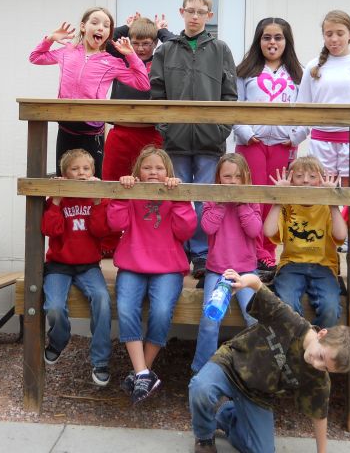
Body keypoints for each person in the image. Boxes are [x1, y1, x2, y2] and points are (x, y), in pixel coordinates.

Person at [188, 269, 350, 453]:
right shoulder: (290, 321)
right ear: (322, 334)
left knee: (262, 451)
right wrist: (241, 281)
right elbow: (257, 284)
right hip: (231, 364)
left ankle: (226, 415)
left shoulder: (318, 376)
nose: (317, 365)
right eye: (321, 357)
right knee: (200, 387)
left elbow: (319, 415)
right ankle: (205, 438)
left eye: (326, 367)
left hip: (257, 393)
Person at [150, 0, 238, 279]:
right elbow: (157, 92)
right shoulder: (166, 50)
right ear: (182, 12)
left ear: (209, 16)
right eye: (190, 11)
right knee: (176, 195)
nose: (195, 17)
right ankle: (178, 250)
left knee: (202, 198)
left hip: (209, 141)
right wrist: (166, 128)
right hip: (175, 140)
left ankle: (200, 253)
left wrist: (220, 130)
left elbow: (229, 94)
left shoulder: (221, 49)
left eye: (201, 12)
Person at [107, 145, 197, 403]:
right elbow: (116, 223)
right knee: (125, 307)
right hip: (132, 263)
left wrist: (179, 197)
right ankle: (143, 373)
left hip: (168, 266)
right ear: (138, 171)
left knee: (160, 311)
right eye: (147, 167)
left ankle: (140, 373)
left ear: (168, 171)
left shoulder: (175, 192)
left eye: (159, 168)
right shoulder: (131, 191)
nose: (153, 172)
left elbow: (186, 230)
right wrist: (122, 193)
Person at [29, 7, 150, 178]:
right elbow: (35, 57)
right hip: (66, 126)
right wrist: (50, 39)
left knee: (94, 182)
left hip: (92, 132)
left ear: (109, 33)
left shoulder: (112, 61)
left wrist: (131, 56)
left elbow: (143, 83)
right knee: (63, 179)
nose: (101, 27)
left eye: (106, 25)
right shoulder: (67, 51)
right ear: (84, 27)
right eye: (95, 22)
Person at [234, 17, 307, 279]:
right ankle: (249, 251)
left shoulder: (299, 74)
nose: (272, 42)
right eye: (267, 37)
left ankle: (267, 251)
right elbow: (235, 106)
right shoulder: (245, 72)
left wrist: (296, 136)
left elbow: (307, 112)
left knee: (275, 197)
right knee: (251, 197)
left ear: (287, 42)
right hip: (252, 143)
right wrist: (245, 132)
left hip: (282, 144)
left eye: (278, 38)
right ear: (259, 41)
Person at [40, 149, 113, 386]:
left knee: (102, 299)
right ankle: (59, 339)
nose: (81, 173)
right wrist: (57, 200)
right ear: (65, 174)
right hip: (58, 266)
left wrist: (97, 200)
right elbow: (51, 230)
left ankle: (100, 360)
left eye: (86, 169)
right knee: (53, 306)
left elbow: (102, 231)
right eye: (75, 169)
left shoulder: (98, 199)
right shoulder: (57, 200)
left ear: (94, 172)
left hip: (88, 265)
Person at [296, 10, 350, 186]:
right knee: (320, 188)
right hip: (321, 140)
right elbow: (303, 106)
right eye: (329, 34)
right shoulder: (313, 66)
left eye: (340, 33)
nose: (334, 39)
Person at [191, 153, 262, 373]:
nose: (232, 181)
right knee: (210, 319)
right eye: (227, 176)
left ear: (246, 178)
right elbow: (208, 228)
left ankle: (255, 370)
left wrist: (241, 205)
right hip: (217, 269)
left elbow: (254, 230)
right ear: (218, 179)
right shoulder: (212, 198)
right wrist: (221, 204)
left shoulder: (251, 198)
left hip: (246, 271)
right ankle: (203, 370)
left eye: (238, 177)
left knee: (254, 317)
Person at [264, 156, 347, 328]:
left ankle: (318, 346)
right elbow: (269, 231)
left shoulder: (326, 206)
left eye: (312, 177)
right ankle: (301, 344)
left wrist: (333, 202)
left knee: (330, 309)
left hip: (323, 266)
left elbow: (341, 235)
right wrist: (278, 200)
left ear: (321, 180)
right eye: (299, 176)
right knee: (286, 304)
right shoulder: (287, 205)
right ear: (291, 181)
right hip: (292, 265)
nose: (305, 181)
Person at [102, 16, 170, 183]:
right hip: (121, 131)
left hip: (152, 132)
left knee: (151, 181)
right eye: (136, 43)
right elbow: (105, 40)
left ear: (155, 44)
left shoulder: (162, 61)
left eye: (146, 43)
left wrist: (161, 31)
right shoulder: (120, 59)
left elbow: (175, 44)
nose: (140, 48)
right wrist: (127, 27)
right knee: (113, 180)